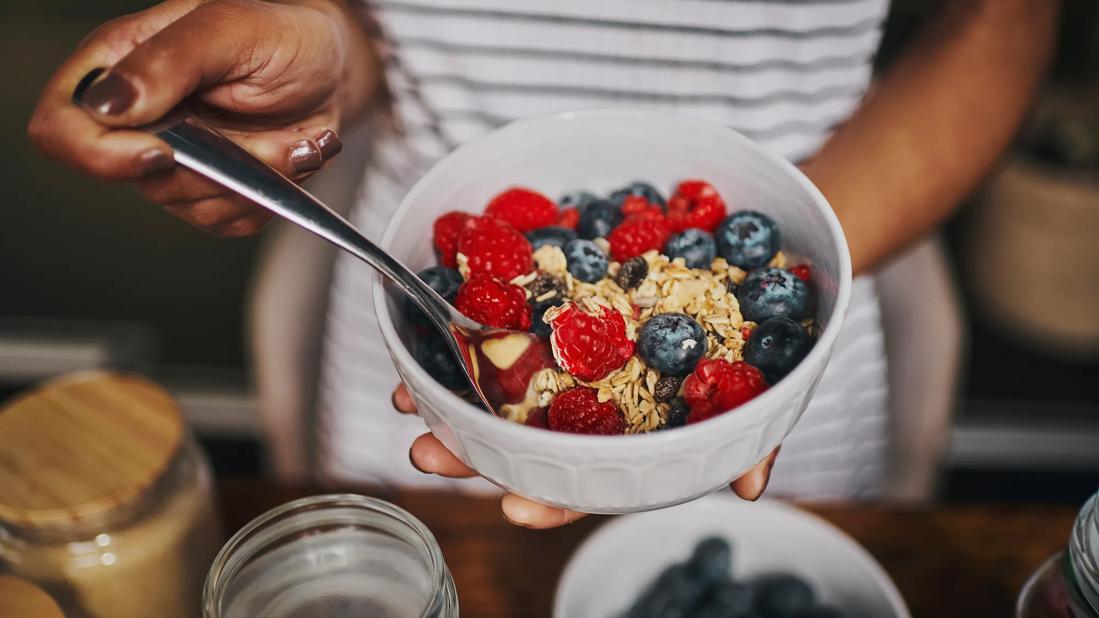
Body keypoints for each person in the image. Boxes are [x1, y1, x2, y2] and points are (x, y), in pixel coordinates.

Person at [29, 0, 1059, 528]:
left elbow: (1002, 21)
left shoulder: (743, 322)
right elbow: (373, 22)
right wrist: (325, 48)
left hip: (785, 328)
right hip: (428, 339)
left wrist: (778, 270)